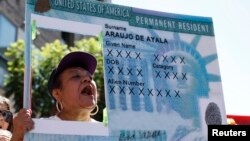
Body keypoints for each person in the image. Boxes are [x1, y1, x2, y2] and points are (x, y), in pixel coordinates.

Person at [10, 51, 99, 141]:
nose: (87, 79)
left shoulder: (109, 133)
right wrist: (17, 136)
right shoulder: (38, 131)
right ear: (57, 94)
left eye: (90, 77)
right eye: (76, 76)